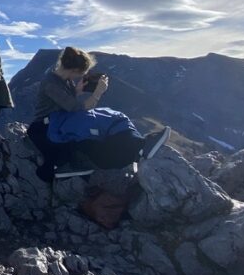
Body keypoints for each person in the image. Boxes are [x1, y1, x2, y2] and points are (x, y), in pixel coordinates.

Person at [29, 46, 169, 182]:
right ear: (75, 69)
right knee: (104, 119)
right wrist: (98, 93)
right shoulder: (51, 84)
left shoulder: (64, 80)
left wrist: (77, 91)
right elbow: (76, 108)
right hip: (47, 125)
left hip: (61, 120)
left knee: (112, 116)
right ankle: (140, 146)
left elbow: (67, 105)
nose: (83, 75)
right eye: (82, 72)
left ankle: (137, 144)